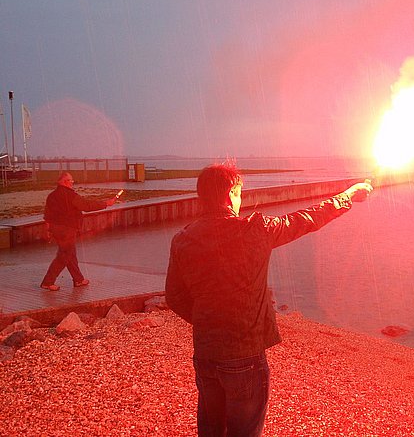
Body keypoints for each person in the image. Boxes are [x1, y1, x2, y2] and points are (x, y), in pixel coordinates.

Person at [165, 163, 373, 437]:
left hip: (205, 352)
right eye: (239, 193)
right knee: (245, 430)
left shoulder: (182, 239)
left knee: (211, 429)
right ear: (231, 195)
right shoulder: (254, 230)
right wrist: (348, 196)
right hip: (244, 353)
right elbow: (305, 219)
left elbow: (174, 296)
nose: (240, 200)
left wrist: (206, 319)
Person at [40, 172, 118, 291]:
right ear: (65, 182)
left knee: (70, 254)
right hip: (67, 229)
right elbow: (86, 206)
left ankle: (78, 280)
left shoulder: (51, 196)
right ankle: (47, 282)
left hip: (56, 229)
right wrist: (106, 203)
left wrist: (49, 230)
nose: (72, 183)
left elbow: (47, 216)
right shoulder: (70, 195)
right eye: (71, 181)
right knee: (64, 256)